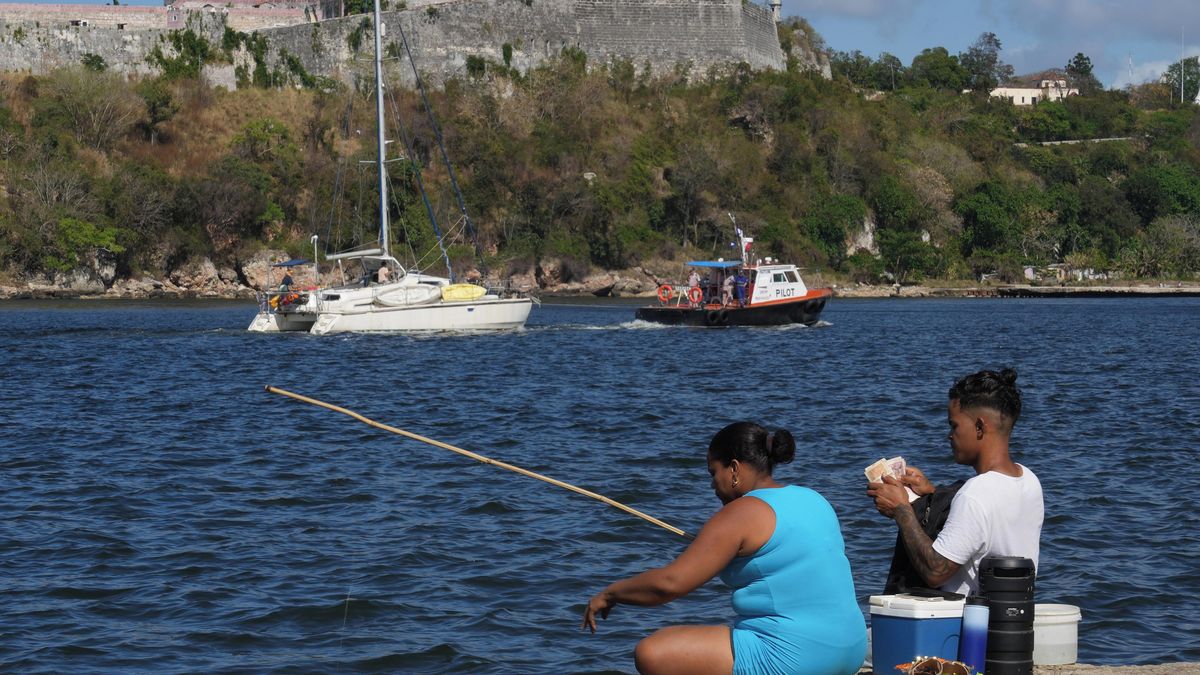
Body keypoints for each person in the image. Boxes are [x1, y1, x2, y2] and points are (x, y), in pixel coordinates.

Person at [583, 422, 867, 675]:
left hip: (796, 658)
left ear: (734, 469)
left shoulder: (740, 513)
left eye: (713, 472)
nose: (712, 485)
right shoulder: (813, 498)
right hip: (851, 649)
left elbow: (669, 585)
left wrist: (611, 593)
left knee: (653, 652)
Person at [868, 368, 1044, 596]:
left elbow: (935, 571)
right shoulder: (1028, 480)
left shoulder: (974, 494)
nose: (949, 435)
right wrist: (931, 495)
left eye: (954, 425)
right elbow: (987, 524)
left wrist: (902, 510)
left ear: (980, 427)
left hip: (967, 627)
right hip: (1008, 617)